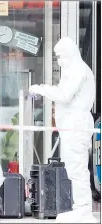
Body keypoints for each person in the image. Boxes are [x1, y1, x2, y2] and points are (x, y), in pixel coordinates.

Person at [29, 37, 97, 223]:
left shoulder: (77, 70)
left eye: (61, 56)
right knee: (73, 167)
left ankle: (83, 210)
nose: (59, 61)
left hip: (77, 126)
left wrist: (42, 89)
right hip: (72, 126)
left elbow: (64, 95)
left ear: (71, 54)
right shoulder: (74, 70)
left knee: (77, 168)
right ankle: (79, 208)